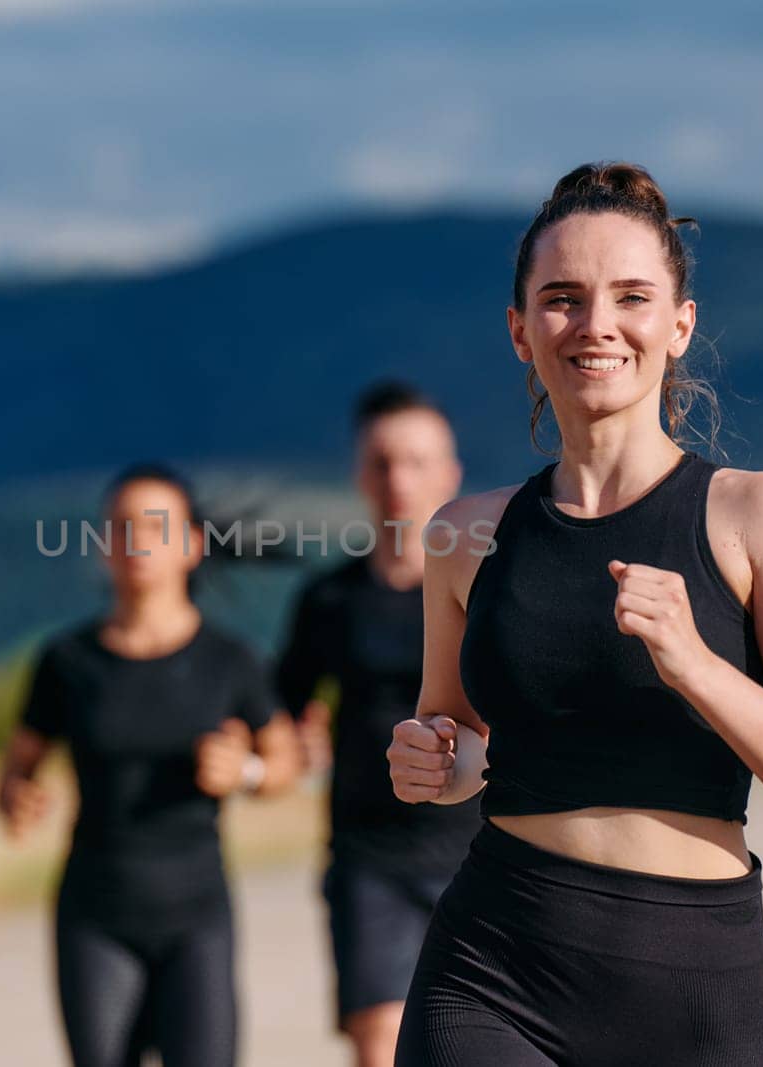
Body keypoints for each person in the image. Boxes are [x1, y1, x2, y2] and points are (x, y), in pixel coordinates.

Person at [385, 162, 763, 1066]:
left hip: (692, 980)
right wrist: (433, 758)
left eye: (632, 296)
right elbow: (458, 737)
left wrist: (694, 662)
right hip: (492, 962)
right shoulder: (463, 535)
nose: (596, 325)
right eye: (562, 298)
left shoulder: (760, 516)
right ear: (520, 331)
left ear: (679, 325)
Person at [0, 462, 302, 1067]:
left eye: (155, 527)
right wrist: (17, 797)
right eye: (120, 528)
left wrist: (244, 773)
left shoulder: (230, 660)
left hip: (196, 916)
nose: (137, 541)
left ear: (191, 545)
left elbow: (284, 759)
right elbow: (16, 768)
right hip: (95, 913)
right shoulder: (67, 662)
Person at [275, 381, 481, 1066]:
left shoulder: (492, 590)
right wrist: (284, 747)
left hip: (485, 854)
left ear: (451, 473)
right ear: (360, 473)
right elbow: (280, 707)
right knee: (380, 1049)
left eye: (417, 461)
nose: (399, 480)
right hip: (371, 858)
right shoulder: (329, 600)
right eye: (383, 461)